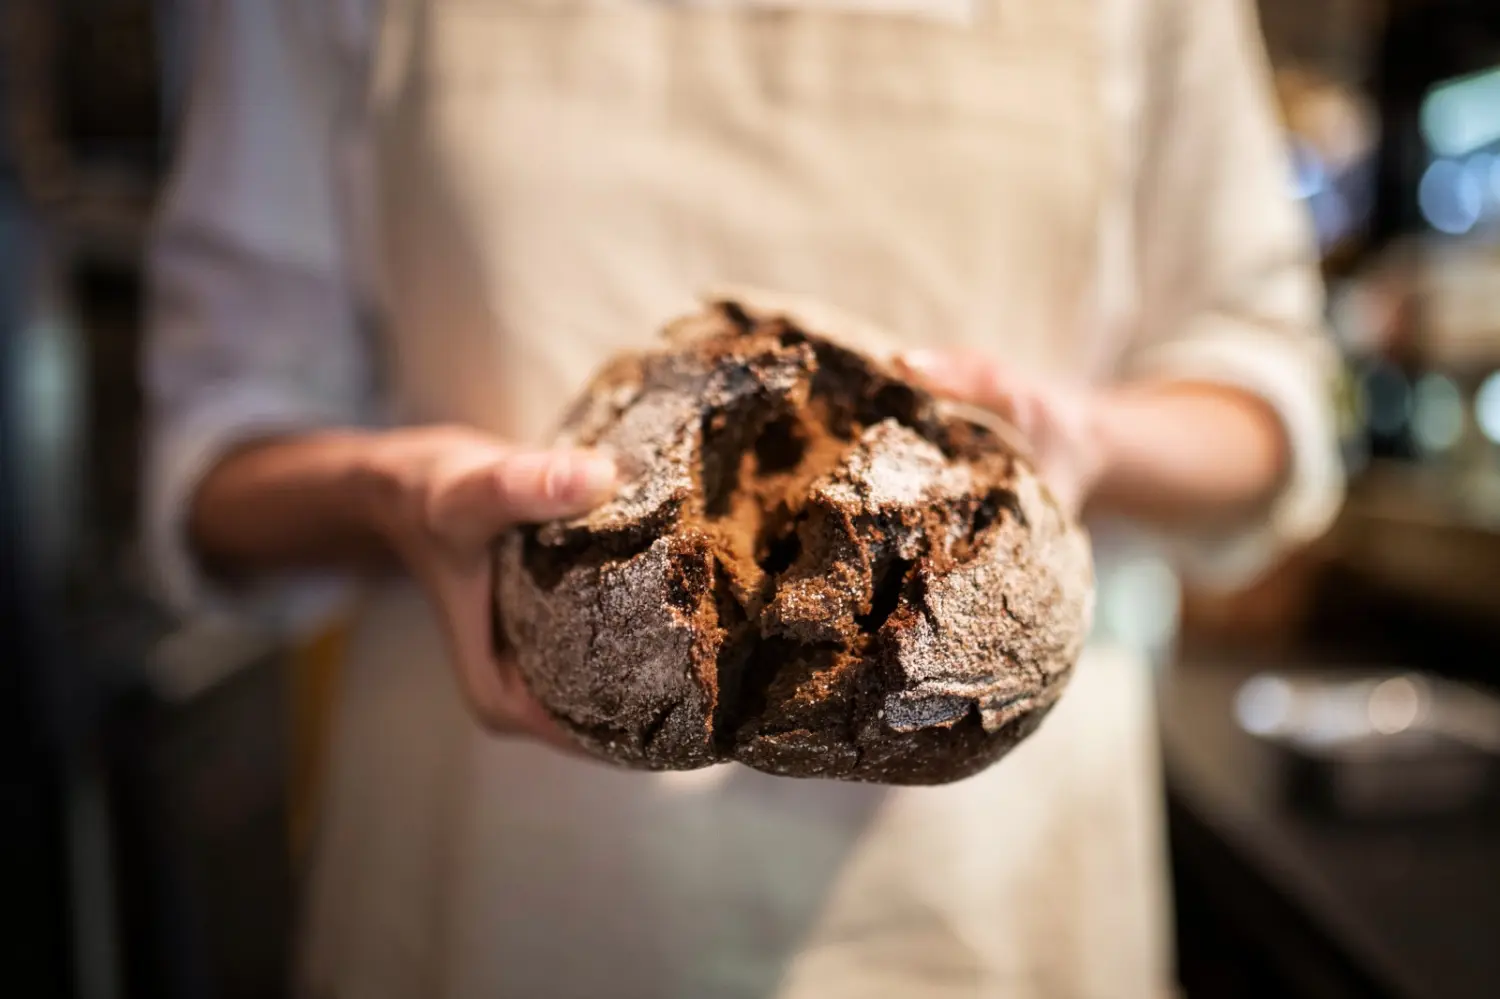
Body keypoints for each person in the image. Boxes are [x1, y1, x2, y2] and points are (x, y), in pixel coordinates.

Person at [144, 0, 1343, 996]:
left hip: (991, 900)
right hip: (503, 891)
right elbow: (213, 449)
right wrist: (394, 494)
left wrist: (1083, 440)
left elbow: (1268, 392)